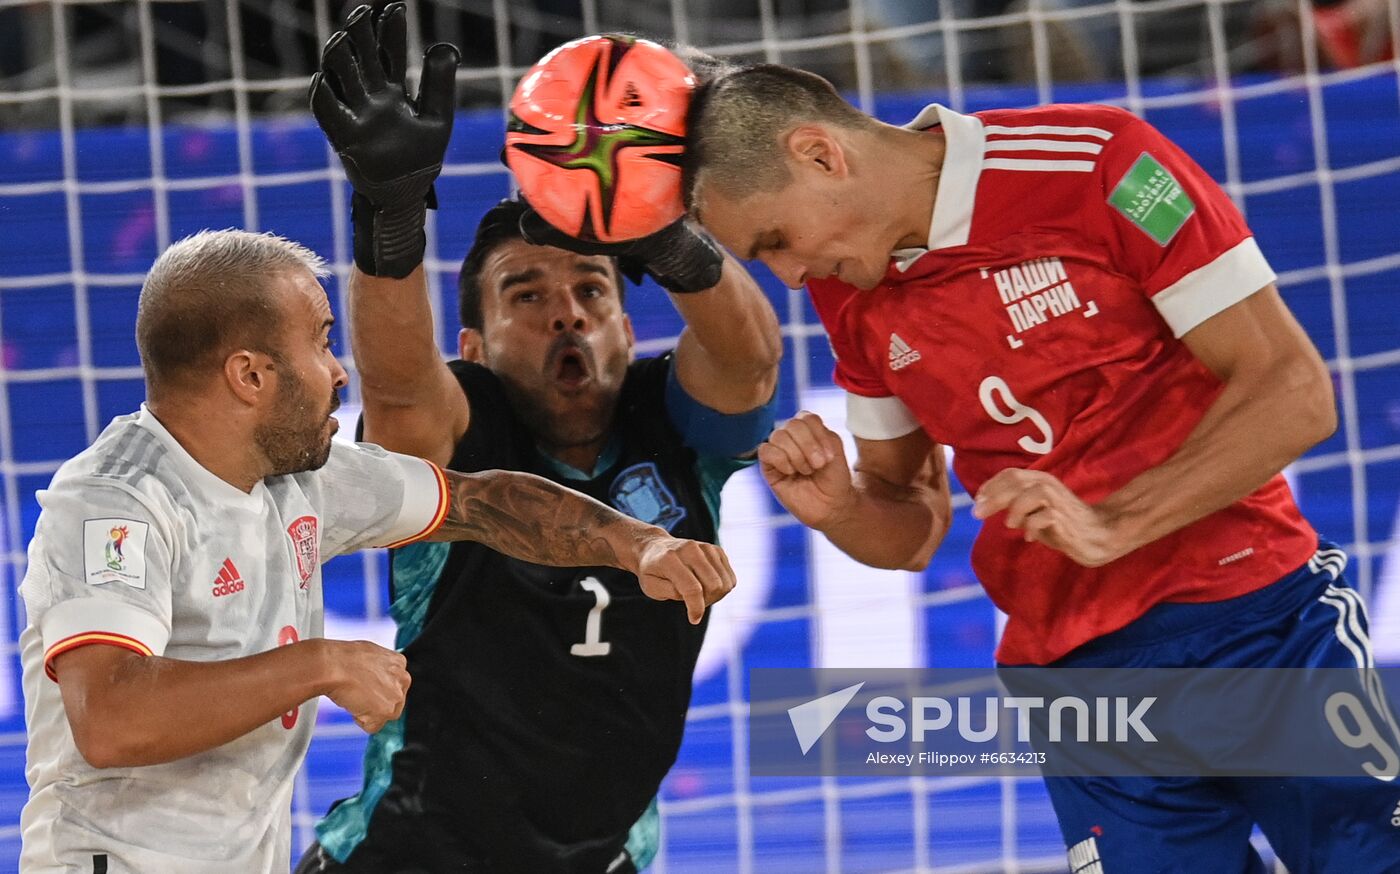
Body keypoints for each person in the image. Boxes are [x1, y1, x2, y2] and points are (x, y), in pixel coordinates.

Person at [680, 64, 1400, 870]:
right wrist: (842, 508)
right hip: (1078, 684)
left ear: (820, 155)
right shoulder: (850, 284)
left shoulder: (1100, 161)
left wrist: (1116, 520)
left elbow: (1294, 392)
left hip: (1258, 621)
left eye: (775, 241)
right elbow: (909, 527)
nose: (788, 275)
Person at [17, 228, 737, 874]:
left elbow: (482, 502)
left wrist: (637, 543)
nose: (339, 373)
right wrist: (320, 664)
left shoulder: (303, 478)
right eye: (323, 342)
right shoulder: (117, 501)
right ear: (251, 374)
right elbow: (111, 718)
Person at [297, 8, 781, 873]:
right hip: (409, 853)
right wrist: (391, 212)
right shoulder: (460, 422)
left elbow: (749, 363)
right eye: (524, 294)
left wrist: (659, 228)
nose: (567, 311)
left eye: (592, 289)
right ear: (474, 346)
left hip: (603, 859)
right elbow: (403, 386)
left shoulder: (669, 418)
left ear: (629, 328)